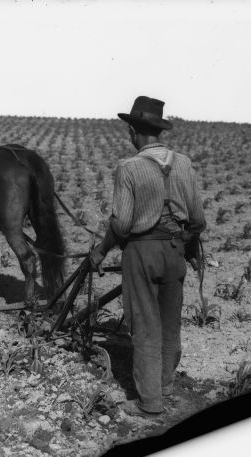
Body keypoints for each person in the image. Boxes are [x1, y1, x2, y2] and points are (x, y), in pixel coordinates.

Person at [90, 96, 206, 415]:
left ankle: (150, 403)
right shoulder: (183, 163)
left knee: (144, 327)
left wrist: (100, 251)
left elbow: (122, 224)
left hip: (142, 252)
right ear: (158, 129)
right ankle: (166, 387)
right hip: (175, 251)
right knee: (170, 325)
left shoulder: (129, 168)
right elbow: (197, 220)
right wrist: (190, 248)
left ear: (133, 131)